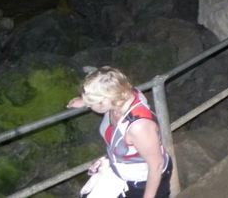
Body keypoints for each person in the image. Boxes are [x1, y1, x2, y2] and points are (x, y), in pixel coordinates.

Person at [67, 66, 172, 198]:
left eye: (92, 102)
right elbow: (109, 81)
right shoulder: (122, 95)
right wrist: (84, 101)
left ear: (106, 100)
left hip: (143, 182)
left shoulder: (139, 127)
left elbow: (156, 165)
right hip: (120, 168)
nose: (90, 106)